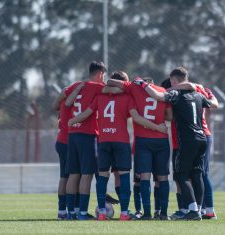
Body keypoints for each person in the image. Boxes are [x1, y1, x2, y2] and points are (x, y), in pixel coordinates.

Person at [68, 71, 167, 220]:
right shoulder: (127, 98)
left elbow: (87, 113)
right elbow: (135, 116)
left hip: (104, 140)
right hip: (121, 141)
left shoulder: (99, 97)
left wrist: (73, 121)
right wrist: (157, 127)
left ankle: (101, 212)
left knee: (102, 176)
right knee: (123, 175)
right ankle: (124, 213)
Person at [133, 67, 217, 220]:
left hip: (188, 140)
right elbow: (214, 104)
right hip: (202, 138)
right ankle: (198, 209)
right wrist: (209, 93)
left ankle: (192, 209)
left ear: (173, 80)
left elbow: (158, 95)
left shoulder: (176, 94)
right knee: (197, 175)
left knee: (180, 176)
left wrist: (142, 84)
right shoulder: (198, 94)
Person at [106, 76, 172, 220]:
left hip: (143, 140)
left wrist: (120, 88)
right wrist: (159, 121)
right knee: (163, 178)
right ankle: (163, 213)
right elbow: (170, 116)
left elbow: (110, 81)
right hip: (161, 140)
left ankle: (146, 213)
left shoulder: (134, 87)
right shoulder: (162, 91)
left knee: (144, 177)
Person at [63, 61, 107, 220]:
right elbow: (115, 89)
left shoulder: (78, 85)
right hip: (87, 135)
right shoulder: (97, 86)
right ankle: (82, 213)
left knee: (74, 174)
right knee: (87, 175)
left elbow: (67, 103)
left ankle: (70, 213)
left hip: (72, 134)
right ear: (100, 74)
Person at [52, 82, 84, 220]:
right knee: (73, 176)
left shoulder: (64, 101)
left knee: (64, 177)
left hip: (61, 141)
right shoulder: (73, 104)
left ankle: (62, 211)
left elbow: (55, 106)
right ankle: (72, 210)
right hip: (67, 142)